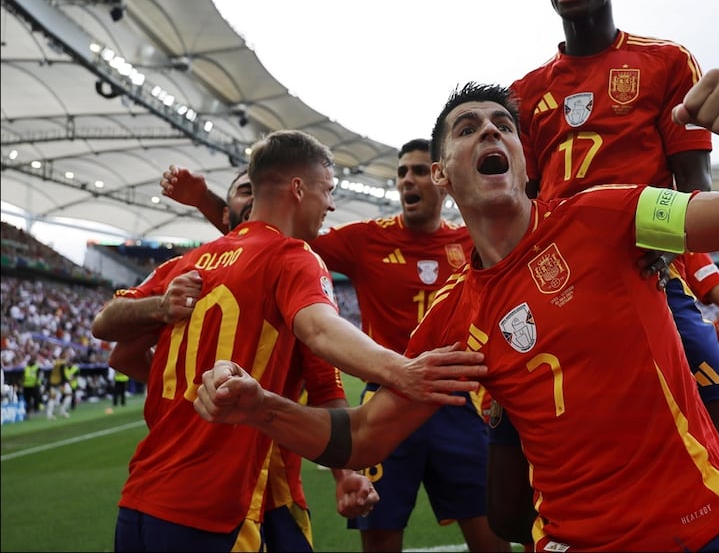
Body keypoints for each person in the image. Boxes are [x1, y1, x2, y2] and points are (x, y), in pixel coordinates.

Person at [194, 75, 719, 552]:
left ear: (522, 155)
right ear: (441, 173)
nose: (489, 133)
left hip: (697, 532)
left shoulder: (613, 214)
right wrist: (261, 408)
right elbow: (364, 437)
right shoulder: (451, 318)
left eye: (502, 126)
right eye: (467, 128)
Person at [504, 0, 719, 550]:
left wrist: (675, 260)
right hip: (557, 299)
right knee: (529, 500)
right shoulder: (523, 94)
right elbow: (521, 209)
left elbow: (696, 193)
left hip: (652, 283)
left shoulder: (667, 62)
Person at [91, 129, 486, 552]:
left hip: (143, 495)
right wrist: (401, 370)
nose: (331, 203)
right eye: (327, 190)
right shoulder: (292, 256)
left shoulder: (189, 263)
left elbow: (117, 343)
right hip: (221, 502)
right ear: (298, 189)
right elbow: (318, 330)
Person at [102, 168, 380, 552]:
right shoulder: (189, 269)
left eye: (258, 190)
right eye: (244, 191)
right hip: (210, 492)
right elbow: (118, 346)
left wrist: (344, 474)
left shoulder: (278, 269)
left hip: (271, 489)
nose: (254, 200)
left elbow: (324, 386)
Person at [44, 350, 72, 420]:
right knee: (69, 394)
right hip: (60, 383)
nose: (67, 356)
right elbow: (62, 374)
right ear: (62, 355)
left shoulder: (55, 362)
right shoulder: (62, 363)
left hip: (53, 383)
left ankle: (49, 415)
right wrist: (67, 380)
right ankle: (62, 410)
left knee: (52, 398)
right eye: (66, 354)